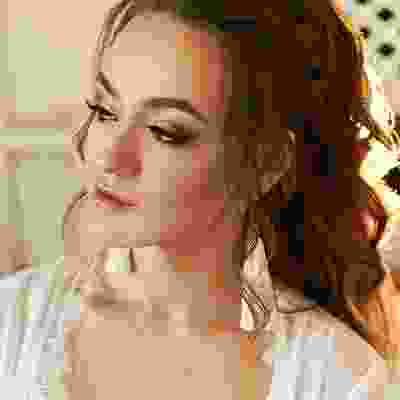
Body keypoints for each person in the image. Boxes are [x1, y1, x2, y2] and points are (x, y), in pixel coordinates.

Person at [1, 1, 400, 398]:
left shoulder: (339, 380)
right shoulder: (11, 323)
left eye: (165, 131)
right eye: (105, 111)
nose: (110, 157)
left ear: (266, 163)